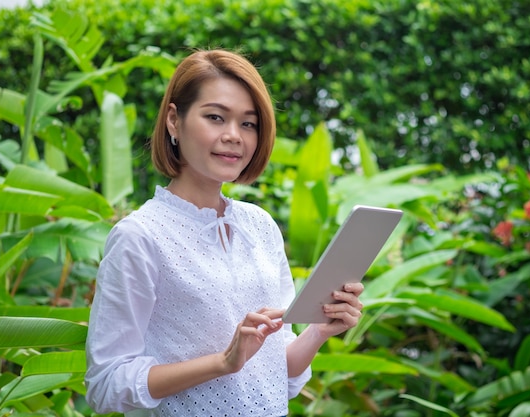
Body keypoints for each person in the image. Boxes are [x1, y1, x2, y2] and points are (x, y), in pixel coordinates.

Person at [84, 49, 364, 417]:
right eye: (216, 117)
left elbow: (281, 371)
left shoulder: (261, 227)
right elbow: (106, 385)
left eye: (248, 124)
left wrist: (319, 331)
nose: (234, 136)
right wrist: (223, 362)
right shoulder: (140, 236)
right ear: (173, 120)